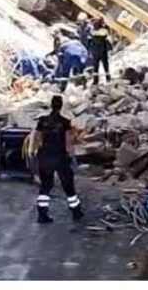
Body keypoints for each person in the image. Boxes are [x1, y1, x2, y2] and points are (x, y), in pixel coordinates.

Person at [33, 95, 83, 224]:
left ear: (51, 105)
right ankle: (76, 211)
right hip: (60, 157)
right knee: (68, 184)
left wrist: (37, 154)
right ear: (61, 106)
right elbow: (67, 143)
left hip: (45, 156)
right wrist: (72, 157)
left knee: (45, 185)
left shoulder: (42, 121)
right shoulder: (65, 122)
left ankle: (42, 214)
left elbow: (37, 140)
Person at [89, 20, 112, 85]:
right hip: (103, 52)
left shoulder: (92, 32)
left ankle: (95, 80)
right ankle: (108, 78)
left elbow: (89, 42)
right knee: (106, 66)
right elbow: (108, 41)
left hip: (95, 52)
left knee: (95, 67)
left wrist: (89, 50)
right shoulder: (104, 32)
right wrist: (110, 48)